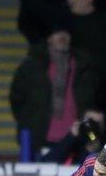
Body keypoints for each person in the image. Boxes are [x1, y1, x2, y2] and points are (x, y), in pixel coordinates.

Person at [9, 27, 100, 158]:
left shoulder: (83, 66)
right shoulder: (32, 66)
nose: (62, 36)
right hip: (39, 143)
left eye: (66, 33)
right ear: (48, 37)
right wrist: (30, 120)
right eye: (57, 32)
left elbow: (93, 100)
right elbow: (16, 99)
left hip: (75, 144)